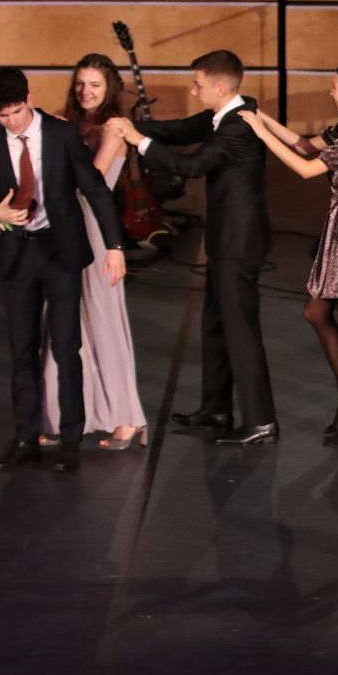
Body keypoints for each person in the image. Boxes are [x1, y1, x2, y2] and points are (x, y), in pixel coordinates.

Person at [109, 50, 277, 445]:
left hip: (239, 243)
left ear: (220, 88)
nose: (192, 90)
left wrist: (137, 141)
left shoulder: (237, 127)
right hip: (224, 240)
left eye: (197, 85)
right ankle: (216, 410)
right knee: (215, 326)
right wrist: (126, 125)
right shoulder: (223, 115)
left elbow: (192, 166)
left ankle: (261, 421)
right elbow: (179, 129)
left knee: (240, 332)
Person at [0, 67, 127, 474]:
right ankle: (24, 438)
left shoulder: (61, 135)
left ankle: (71, 441)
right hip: (17, 253)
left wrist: (115, 246)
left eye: (16, 112)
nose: (11, 122)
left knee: (65, 347)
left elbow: (94, 187)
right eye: (2, 116)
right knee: (21, 350)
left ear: (29, 98)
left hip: (60, 252)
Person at [241, 62, 338, 448]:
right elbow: (306, 145)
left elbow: (306, 168)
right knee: (315, 312)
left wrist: (259, 132)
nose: (330, 92)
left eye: (335, 86)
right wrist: (262, 117)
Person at [38, 54, 147, 451]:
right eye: (81, 83)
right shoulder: (66, 121)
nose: (86, 91)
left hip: (93, 230)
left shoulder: (113, 127)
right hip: (61, 226)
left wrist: (57, 141)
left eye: (95, 85)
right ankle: (59, 416)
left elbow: (91, 180)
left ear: (109, 89)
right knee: (59, 322)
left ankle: (126, 417)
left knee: (102, 321)